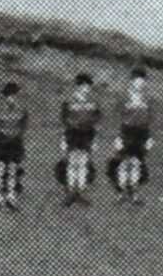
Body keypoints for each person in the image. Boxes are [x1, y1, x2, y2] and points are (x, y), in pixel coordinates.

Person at [57, 73, 102, 206]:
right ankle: (70, 193)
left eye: (88, 87)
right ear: (78, 87)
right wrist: (64, 139)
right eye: (84, 86)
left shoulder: (93, 103)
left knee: (83, 162)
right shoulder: (69, 102)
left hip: (87, 135)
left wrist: (95, 139)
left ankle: (80, 193)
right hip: (72, 135)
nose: (87, 89)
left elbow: (96, 120)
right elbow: (64, 120)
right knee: (72, 162)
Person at [111, 69, 153, 203]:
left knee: (136, 163)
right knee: (124, 163)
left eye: (142, 81)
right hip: (126, 132)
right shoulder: (124, 98)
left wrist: (150, 138)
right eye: (137, 80)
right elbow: (117, 118)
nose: (140, 83)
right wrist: (117, 137)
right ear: (132, 81)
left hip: (141, 133)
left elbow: (150, 120)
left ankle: (134, 194)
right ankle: (122, 193)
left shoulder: (147, 99)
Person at [0, 82, 29, 212]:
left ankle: (11, 198)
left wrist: (16, 136)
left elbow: (23, 127)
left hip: (15, 143)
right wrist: (1, 137)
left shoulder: (22, 110)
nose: (12, 98)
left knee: (12, 171)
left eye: (14, 95)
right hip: (2, 143)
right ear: (5, 96)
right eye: (9, 95)